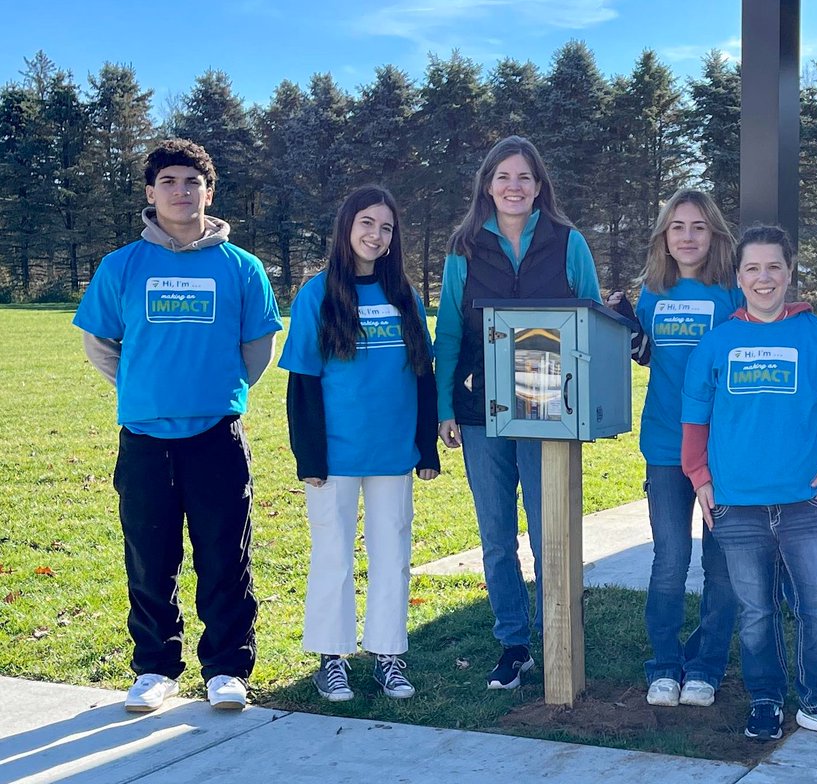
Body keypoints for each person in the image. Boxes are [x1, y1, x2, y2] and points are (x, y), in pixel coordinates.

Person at [73, 139, 282, 714]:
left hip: (215, 434)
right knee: (149, 555)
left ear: (208, 193)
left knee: (224, 553)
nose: (181, 191)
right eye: (169, 181)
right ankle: (155, 667)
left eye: (192, 182)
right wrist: (143, 389)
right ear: (150, 192)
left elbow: (257, 348)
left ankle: (227, 668)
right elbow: (100, 343)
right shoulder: (122, 266)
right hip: (144, 437)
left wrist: (216, 392)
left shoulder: (242, 268)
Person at [682, 225, 817, 744]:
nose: (764, 278)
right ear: (738, 277)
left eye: (774, 267)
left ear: (789, 272)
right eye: (752, 268)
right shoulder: (718, 342)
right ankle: (766, 699)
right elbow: (695, 417)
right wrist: (700, 477)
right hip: (737, 506)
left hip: (805, 502)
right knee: (756, 612)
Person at [433, 135, 601, 689]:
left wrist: (589, 406)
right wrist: (444, 407)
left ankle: (560, 637)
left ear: (538, 186)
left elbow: (593, 320)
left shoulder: (567, 241)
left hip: (550, 408)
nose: (513, 187)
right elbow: (450, 334)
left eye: (524, 177)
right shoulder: (463, 247)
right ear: (487, 184)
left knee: (551, 527)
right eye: (503, 176)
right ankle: (514, 644)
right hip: (481, 411)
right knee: (497, 535)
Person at [281, 186, 441, 703]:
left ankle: (388, 655)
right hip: (335, 455)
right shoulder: (318, 293)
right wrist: (310, 457)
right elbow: (302, 382)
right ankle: (332, 657)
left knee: (393, 553)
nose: (376, 235)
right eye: (367, 224)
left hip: (393, 454)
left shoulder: (405, 296)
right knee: (333, 554)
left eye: (387, 228)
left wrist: (427, 449)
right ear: (347, 227)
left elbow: (422, 374)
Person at [609, 189, 741, 708]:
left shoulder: (732, 294)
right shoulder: (650, 292)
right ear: (664, 235)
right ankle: (664, 665)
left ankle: (706, 665)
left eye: (699, 227)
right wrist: (623, 322)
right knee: (669, 558)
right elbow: (647, 356)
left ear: (715, 236)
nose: (687, 237)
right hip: (664, 445)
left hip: (722, 450)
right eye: (677, 226)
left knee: (721, 564)